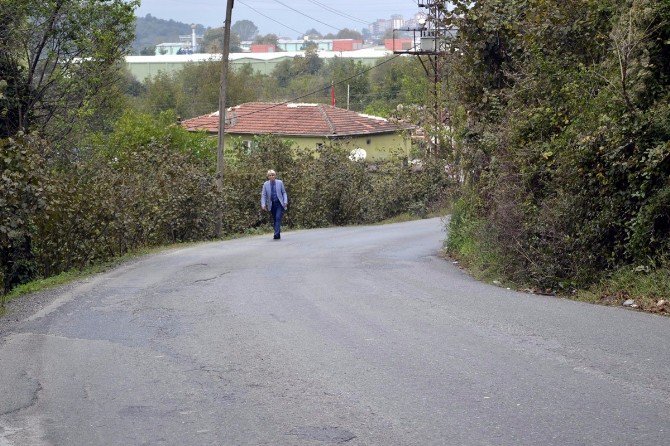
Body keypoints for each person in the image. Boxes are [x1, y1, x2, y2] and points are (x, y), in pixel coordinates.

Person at [260, 169, 288, 240]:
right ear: (268, 177)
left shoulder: (280, 182)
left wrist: (285, 201)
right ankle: (277, 234)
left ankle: (275, 234)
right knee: (275, 219)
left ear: (275, 176)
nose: (271, 176)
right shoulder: (265, 184)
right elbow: (264, 195)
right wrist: (263, 204)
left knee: (278, 217)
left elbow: (284, 192)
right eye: (270, 175)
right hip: (271, 204)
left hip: (279, 203)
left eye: (273, 175)